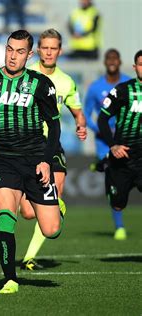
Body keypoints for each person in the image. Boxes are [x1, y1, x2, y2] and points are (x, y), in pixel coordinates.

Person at [0, 29, 62, 294]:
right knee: (5, 212)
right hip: (3, 161)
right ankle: (9, 278)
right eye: (10, 49)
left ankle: (55, 205)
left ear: (30, 54)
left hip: (35, 161)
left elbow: (54, 127)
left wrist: (47, 161)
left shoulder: (40, 84)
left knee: (51, 229)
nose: (13, 56)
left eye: (20, 51)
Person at [19, 29, 87, 271]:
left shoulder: (67, 81)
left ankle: (28, 258)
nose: (48, 52)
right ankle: (58, 205)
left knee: (53, 194)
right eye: (44, 47)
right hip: (26, 145)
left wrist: (81, 124)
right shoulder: (26, 75)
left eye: (53, 48)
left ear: (60, 50)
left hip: (52, 146)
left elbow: (77, 111)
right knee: (27, 212)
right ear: (38, 49)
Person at [84, 49, 131, 240]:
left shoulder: (129, 83)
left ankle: (101, 165)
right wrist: (99, 129)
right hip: (105, 141)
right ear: (105, 62)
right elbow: (85, 114)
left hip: (127, 138)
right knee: (113, 172)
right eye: (108, 58)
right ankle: (119, 226)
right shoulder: (96, 87)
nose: (112, 61)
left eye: (115, 58)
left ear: (119, 62)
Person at [97, 50, 142, 241]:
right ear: (134, 67)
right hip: (123, 156)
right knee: (118, 204)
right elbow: (102, 119)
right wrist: (113, 146)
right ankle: (109, 169)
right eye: (141, 64)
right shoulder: (123, 90)